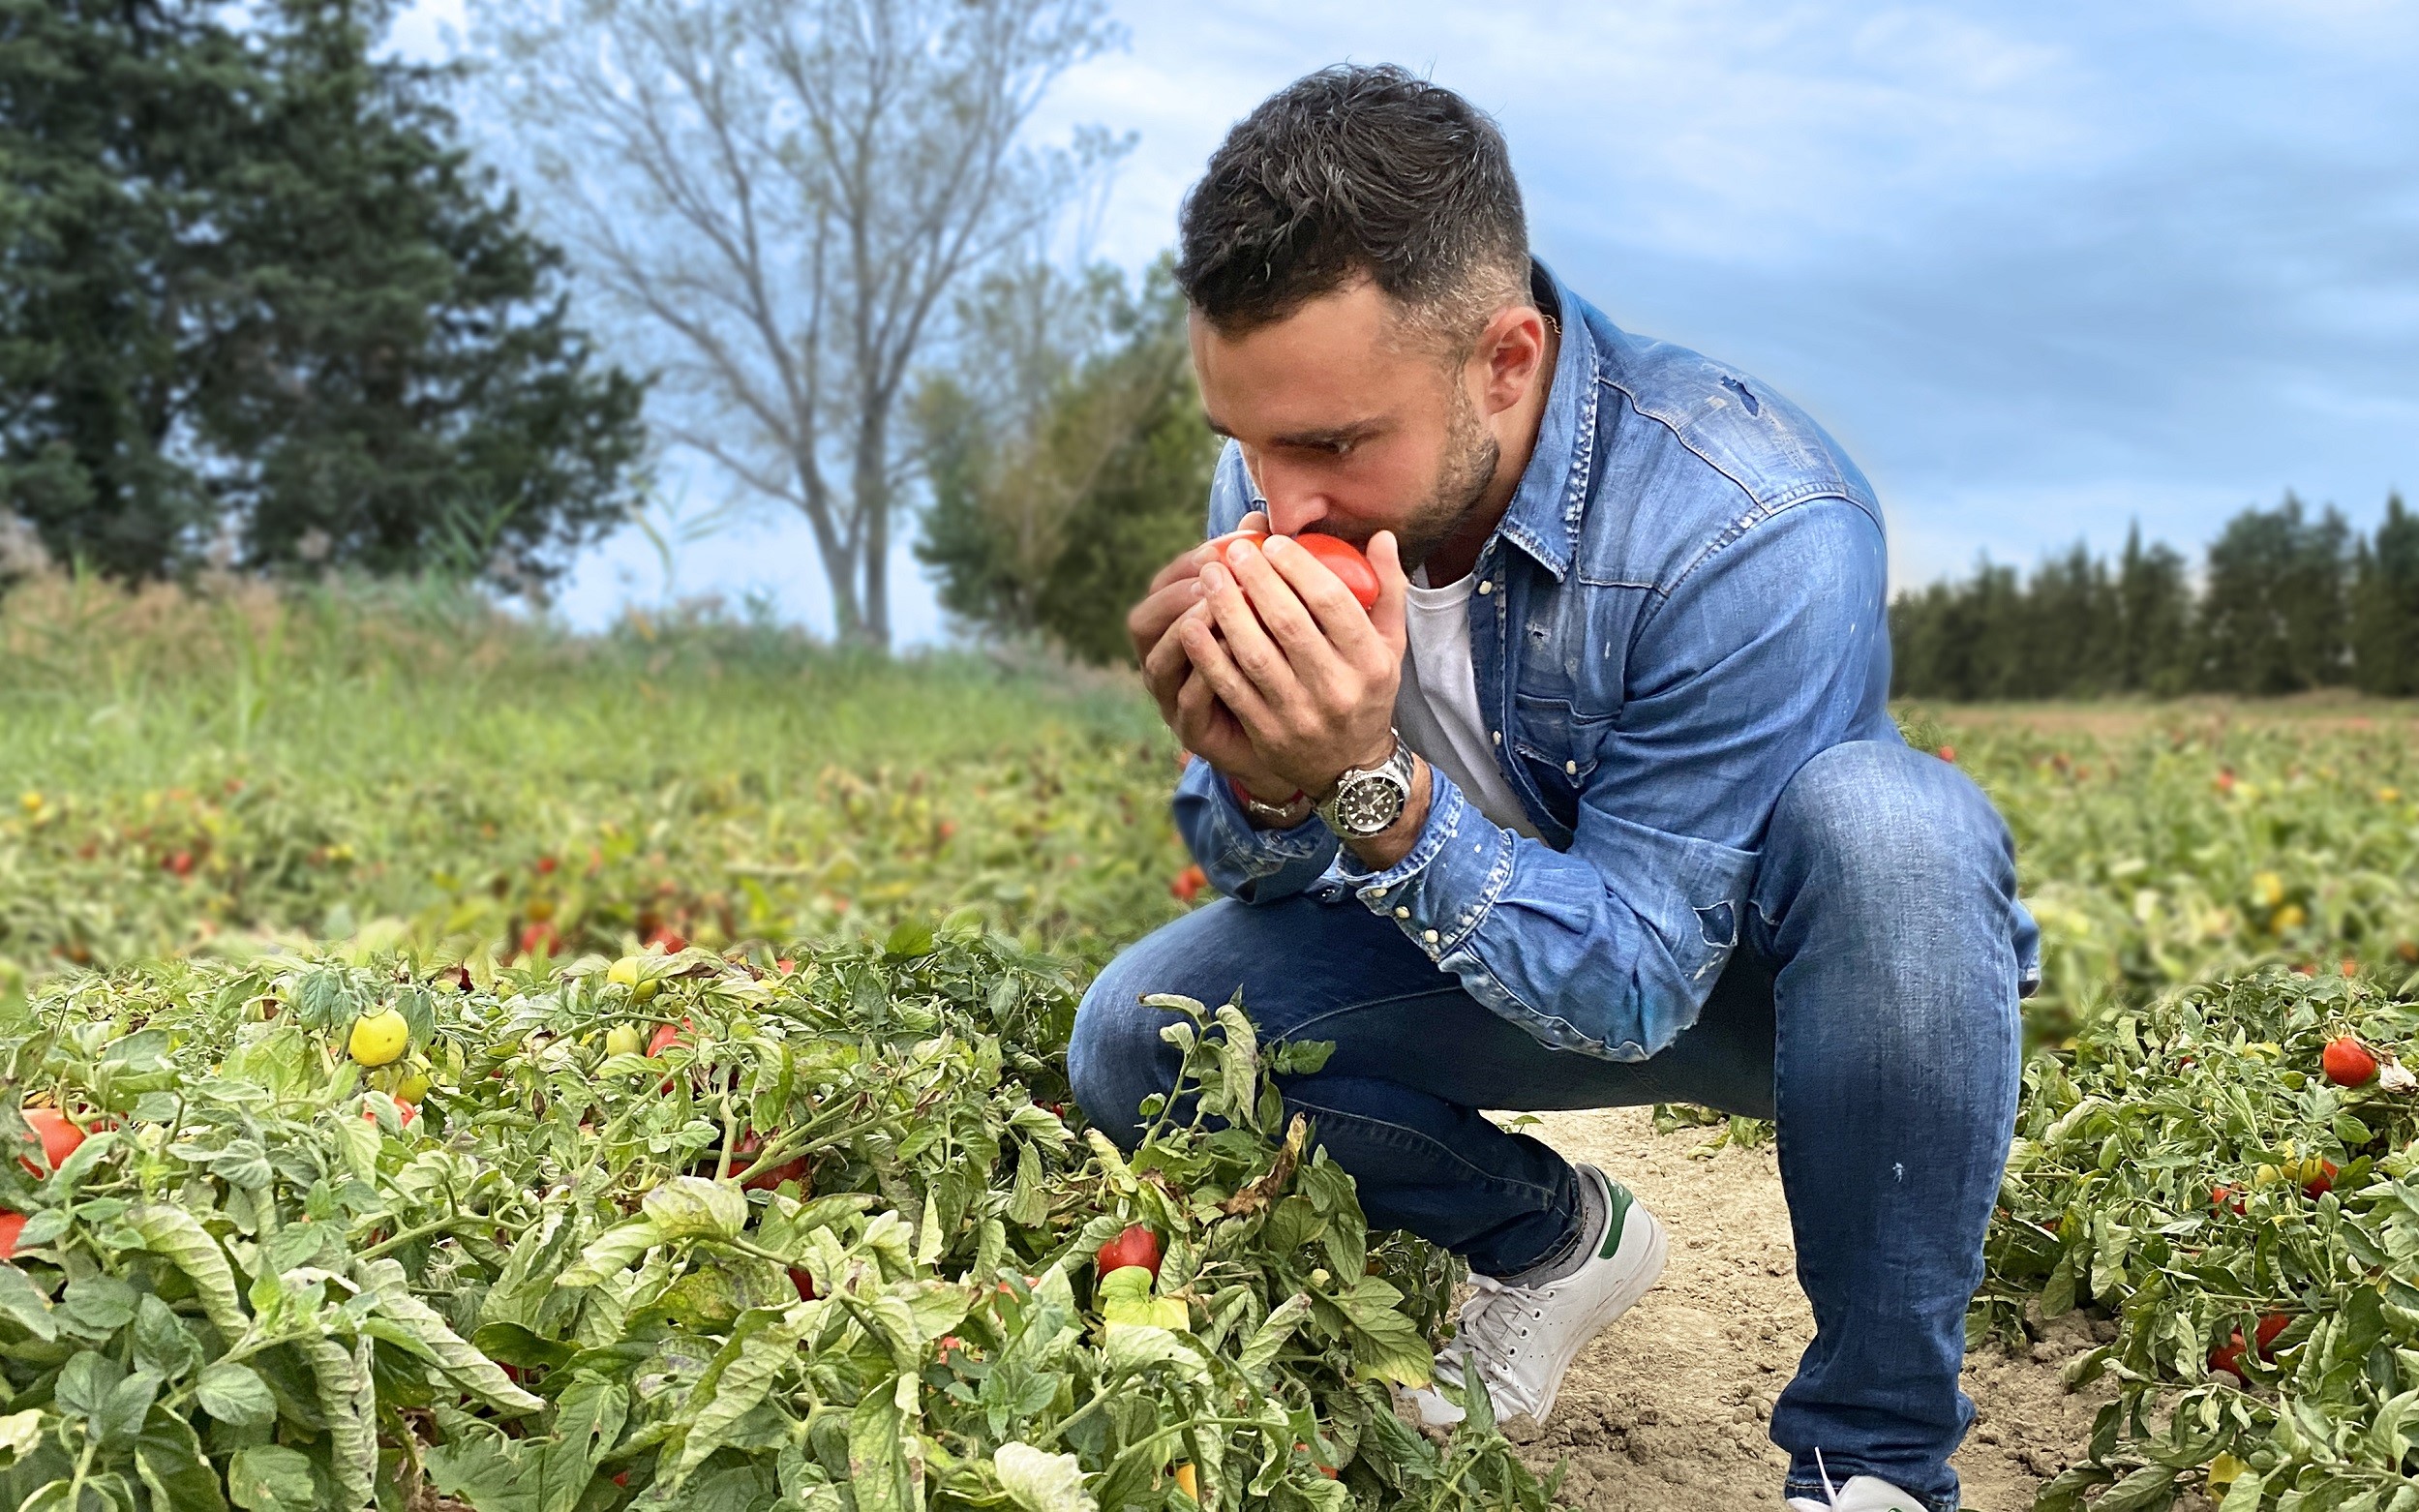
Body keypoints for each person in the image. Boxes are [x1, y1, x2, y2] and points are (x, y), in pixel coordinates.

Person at [1068, 64, 2037, 1512]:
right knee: (1142, 1039)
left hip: (1761, 983)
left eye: (1331, 444)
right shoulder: (1287, 479)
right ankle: (1553, 1238)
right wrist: (1262, 789)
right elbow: (1265, 870)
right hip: (1474, 936)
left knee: (1899, 828)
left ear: (1506, 360)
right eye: (1245, 444)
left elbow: (1644, 985)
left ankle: (1875, 1454)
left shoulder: (1755, 520)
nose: (1279, 504)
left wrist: (1369, 784)